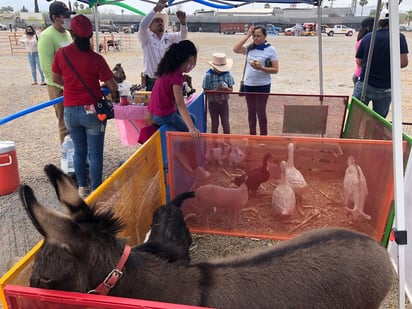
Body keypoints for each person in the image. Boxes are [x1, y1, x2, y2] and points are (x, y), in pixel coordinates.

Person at [52, 14, 118, 197]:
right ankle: (97, 190)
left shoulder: (62, 54)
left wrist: (71, 85)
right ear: (90, 35)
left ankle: (82, 187)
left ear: (71, 33)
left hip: (71, 111)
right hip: (91, 111)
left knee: (79, 150)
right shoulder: (96, 59)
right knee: (95, 152)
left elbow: (56, 78)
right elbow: (113, 85)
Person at [148, 39, 209, 178]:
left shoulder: (167, 71)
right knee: (191, 134)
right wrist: (191, 129)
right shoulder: (176, 77)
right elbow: (181, 104)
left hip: (159, 111)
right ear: (190, 58)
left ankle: (182, 147)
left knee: (192, 119)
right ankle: (194, 167)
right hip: (164, 115)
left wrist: (190, 123)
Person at [352, 8, 408, 118]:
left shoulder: (368, 37)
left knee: (356, 118)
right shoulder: (399, 37)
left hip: (365, 85)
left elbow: (359, 61)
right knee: (378, 122)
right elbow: (403, 63)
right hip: (386, 87)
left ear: (380, 22)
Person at [38, 1, 74, 145]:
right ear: (54, 18)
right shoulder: (47, 36)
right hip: (58, 86)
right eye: (64, 16)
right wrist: (64, 86)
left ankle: (78, 155)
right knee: (65, 124)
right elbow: (46, 67)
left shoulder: (68, 34)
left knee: (75, 122)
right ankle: (68, 159)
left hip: (72, 84)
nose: (68, 19)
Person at [233, 25, 279, 135]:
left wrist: (261, 68)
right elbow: (235, 49)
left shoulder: (271, 50)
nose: (256, 38)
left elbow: (275, 69)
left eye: (258, 36)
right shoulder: (250, 47)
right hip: (249, 84)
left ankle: (263, 136)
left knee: (261, 111)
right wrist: (247, 35)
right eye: (254, 36)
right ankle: (252, 135)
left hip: (263, 84)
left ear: (265, 36)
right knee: (251, 111)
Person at [138, 0, 187, 91]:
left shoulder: (169, 37)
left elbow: (183, 36)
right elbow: (142, 26)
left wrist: (183, 23)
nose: (160, 23)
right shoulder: (146, 38)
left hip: (167, 80)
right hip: (152, 82)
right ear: (150, 26)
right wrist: (156, 9)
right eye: (157, 21)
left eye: (161, 21)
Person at [202, 53, 235, 134]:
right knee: (215, 124)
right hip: (213, 103)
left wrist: (225, 89)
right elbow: (205, 92)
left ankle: (227, 143)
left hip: (224, 103)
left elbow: (231, 90)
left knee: (226, 124)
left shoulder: (228, 75)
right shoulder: (208, 76)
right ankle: (214, 144)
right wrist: (216, 90)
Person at [352, 17, 374, 85]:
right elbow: (359, 62)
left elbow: (358, 61)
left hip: (358, 74)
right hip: (362, 76)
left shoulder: (361, 40)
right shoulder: (366, 41)